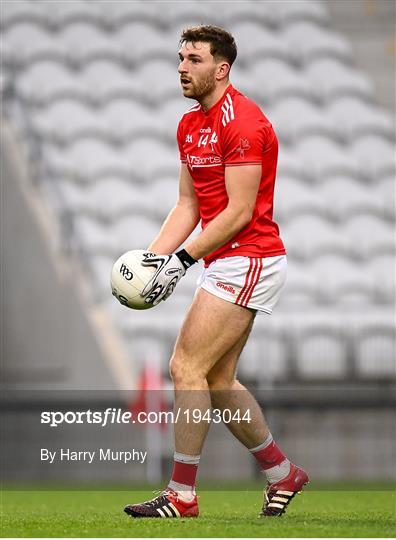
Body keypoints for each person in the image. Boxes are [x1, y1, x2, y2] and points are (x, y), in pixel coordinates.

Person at [123, 25, 309, 519]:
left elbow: (238, 212)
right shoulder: (188, 125)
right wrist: (152, 259)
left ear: (221, 69)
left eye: (194, 60)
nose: (182, 67)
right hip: (226, 259)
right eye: (180, 58)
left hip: (250, 256)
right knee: (219, 380)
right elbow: (188, 205)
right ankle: (281, 472)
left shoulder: (244, 122)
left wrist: (181, 263)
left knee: (185, 367)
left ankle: (182, 495)